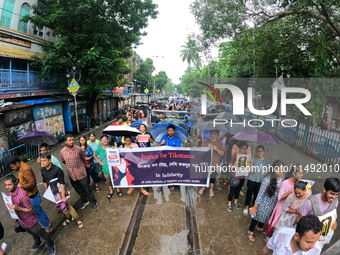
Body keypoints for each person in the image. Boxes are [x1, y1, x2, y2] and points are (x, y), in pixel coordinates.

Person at [4, 175, 56, 255]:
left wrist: (17, 208)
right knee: (32, 233)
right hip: (22, 221)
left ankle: (51, 245)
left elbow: (31, 210)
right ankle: (38, 242)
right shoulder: (11, 193)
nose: (7, 187)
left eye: (9, 184)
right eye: (6, 185)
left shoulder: (22, 195)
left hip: (31, 221)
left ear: (15, 183)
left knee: (43, 234)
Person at [40, 153, 84, 229]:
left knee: (66, 205)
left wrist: (63, 196)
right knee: (60, 206)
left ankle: (77, 218)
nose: (42, 162)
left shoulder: (57, 170)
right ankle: (68, 217)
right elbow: (44, 182)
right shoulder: (43, 170)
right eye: (41, 161)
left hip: (60, 190)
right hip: (53, 192)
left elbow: (62, 183)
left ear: (49, 160)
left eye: (44, 160)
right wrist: (46, 193)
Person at [9, 158, 52, 233]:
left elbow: (32, 184)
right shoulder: (21, 168)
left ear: (17, 163)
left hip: (32, 195)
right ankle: (47, 223)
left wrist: (21, 186)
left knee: (38, 213)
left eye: (13, 166)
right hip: (31, 195)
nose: (13, 168)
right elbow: (24, 179)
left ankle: (48, 228)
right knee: (39, 211)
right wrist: (18, 179)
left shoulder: (25, 169)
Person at [248, 160, 285, 242]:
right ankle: (250, 230)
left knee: (266, 216)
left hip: (273, 204)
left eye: (282, 169)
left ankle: (260, 227)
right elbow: (260, 194)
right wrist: (254, 207)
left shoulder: (282, 179)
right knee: (257, 217)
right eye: (279, 169)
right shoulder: (267, 179)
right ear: (274, 169)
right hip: (263, 203)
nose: (281, 171)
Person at [297, 177, 339, 248]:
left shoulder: (335, 203)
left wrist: (333, 225)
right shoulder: (310, 203)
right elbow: (298, 220)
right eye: (332, 194)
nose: (334, 197)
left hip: (320, 241)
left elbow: (332, 217)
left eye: (337, 194)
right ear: (325, 189)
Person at [59, 134, 99, 210]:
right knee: (78, 190)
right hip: (72, 175)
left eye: (72, 140)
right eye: (70, 140)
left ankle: (94, 202)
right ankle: (84, 200)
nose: (72, 142)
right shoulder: (62, 152)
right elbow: (63, 161)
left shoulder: (79, 149)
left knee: (87, 189)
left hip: (81, 173)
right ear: (65, 142)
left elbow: (83, 159)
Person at [266, 164, 304, 239]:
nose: (301, 175)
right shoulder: (285, 183)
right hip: (281, 206)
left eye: (302, 173)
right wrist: (290, 191)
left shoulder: (298, 184)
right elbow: (279, 197)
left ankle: (276, 237)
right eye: (300, 173)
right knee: (274, 221)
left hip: (290, 208)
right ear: (293, 173)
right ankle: (267, 236)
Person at [244, 145, 269, 216]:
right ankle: (246, 206)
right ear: (256, 151)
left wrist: (266, 173)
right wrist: (251, 162)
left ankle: (253, 208)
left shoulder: (266, 161)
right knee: (249, 194)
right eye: (258, 151)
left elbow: (267, 173)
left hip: (260, 182)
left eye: (261, 151)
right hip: (251, 180)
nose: (259, 153)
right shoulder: (253, 159)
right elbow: (251, 172)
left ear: (264, 152)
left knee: (257, 196)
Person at [198, 130, 224, 197]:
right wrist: (207, 148)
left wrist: (216, 149)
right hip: (206, 162)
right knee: (204, 175)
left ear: (217, 134)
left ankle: (211, 188)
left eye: (215, 133)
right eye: (212, 133)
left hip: (215, 162)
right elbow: (200, 151)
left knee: (213, 176)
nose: (214, 135)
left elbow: (222, 153)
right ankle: (203, 187)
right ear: (210, 134)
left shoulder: (220, 143)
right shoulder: (206, 142)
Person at [94, 134, 120, 199]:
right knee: (108, 180)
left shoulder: (112, 147)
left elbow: (118, 154)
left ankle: (118, 189)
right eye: (103, 140)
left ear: (108, 140)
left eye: (106, 139)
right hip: (105, 168)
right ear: (101, 141)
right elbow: (94, 155)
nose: (104, 141)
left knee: (116, 178)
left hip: (113, 167)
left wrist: (115, 148)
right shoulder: (99, 149)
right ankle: (111, 190)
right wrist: (99, 162)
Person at [157, 124, 181, 192]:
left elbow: (178, 149)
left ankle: (170, 184)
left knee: (171, 171)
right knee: (162, 171)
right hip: (163, 158)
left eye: (171, 131)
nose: (170, 132)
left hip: (172, 158)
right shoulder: (163, 137)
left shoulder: (177, 139)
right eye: (169, 130)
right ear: (167, 131)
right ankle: (160, 185)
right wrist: (161, 144)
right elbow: (158, 146)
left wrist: (170, 148)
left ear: (174, 131)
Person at [227, 141, 251, 212]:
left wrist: (250, 163)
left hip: (242, 176)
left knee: (238, 189)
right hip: (235, 175)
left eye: (245, 148)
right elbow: (230, 165)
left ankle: (235, 202)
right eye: (243, 148)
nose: (244, 150)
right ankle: (229, 203)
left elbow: (248, 167)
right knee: (232, 190)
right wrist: (234, 165)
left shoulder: (247, 156)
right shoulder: (236, 155)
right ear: (240, 148)